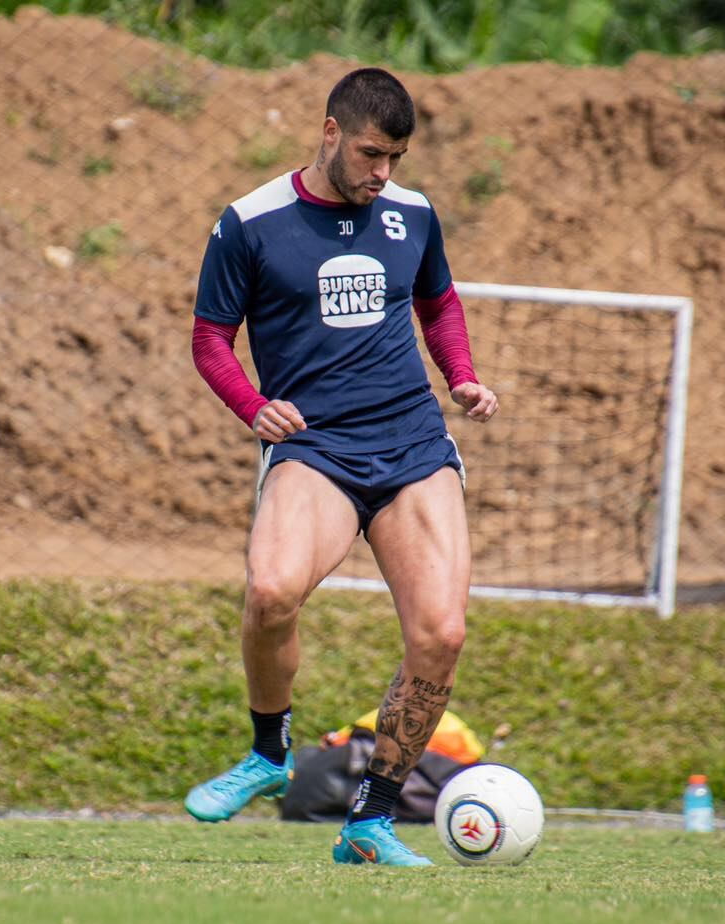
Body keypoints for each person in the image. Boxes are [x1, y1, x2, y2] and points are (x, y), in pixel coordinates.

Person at [186, 67, 498, 867]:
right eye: (369, 153)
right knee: (270, 591)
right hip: (316, 447)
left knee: (441, 633)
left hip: (412, 445)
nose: (381, 172)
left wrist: (460, 374)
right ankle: (269, 752)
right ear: (330, 133)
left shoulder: (412, 214)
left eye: (395, 158)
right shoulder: (251, 222)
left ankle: (372, 818)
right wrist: (253, 406)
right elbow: (210, 338)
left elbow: (439, 301)